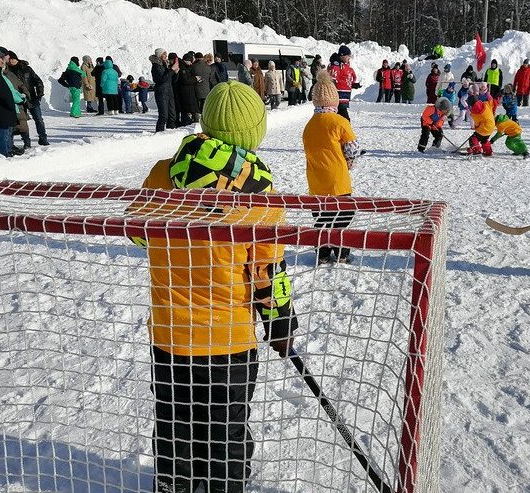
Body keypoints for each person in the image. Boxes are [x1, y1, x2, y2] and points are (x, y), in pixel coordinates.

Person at [129, 80, 298, 493]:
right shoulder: (259, 191)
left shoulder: (163, 172)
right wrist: (281, 323)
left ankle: (175, 484)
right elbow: (267, 271)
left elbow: (135, 232)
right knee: (225, 432)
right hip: (228, 342)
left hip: (171, 338)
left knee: (175, 426)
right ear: (253, 132)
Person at [302, 70, 361, 263]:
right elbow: (352, 147)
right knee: (343, 218)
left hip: (316, 183)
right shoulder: (339, 121)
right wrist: (349, 160)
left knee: (321, 220)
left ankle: (323, 254)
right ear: (334, 100)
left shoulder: (309, 125)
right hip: (338, 182)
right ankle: (342, 253)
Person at [6, 50, 48, 146]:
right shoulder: (8, 71)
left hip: (32, 98)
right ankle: (27, 142)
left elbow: (38, 81)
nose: (11, 61)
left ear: (16, 58)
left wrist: (40, 94)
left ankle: (43, 138)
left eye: (13, 59)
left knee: (39, 119)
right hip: (19, 100)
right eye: (10, 59)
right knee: (22, 122)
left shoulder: (27, 69)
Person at [3, 66, 31, 152]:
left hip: (18, 105)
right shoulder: (0, 76)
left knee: (23, 126)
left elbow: (21, 85)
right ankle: (10, 146)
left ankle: (27, 143)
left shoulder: (11, 74)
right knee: (10, 128)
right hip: (11, 104)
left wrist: (25, 94)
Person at [150, 48, 179, 131]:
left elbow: (172, 80)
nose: (166, 56)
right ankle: (159, 131)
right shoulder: (156, 66)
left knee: (172, 114)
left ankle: (171, 130)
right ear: (159, 55)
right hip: (161, 92)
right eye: (164, 54)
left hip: (169, 91)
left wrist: (175, 73)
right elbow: (161, 80)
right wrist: (171, 70)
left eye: (166, 54)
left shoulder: (165, 65)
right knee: (164, 115)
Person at [328, 45, 359, 121]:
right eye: (348, 56)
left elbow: (345, 80)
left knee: (341, 118)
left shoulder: (346, 66)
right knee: (345, 119)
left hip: (344, 96)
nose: (349, 58)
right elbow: (333, 79)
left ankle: (341, 131)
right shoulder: (337, 65)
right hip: (338, 97)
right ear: (342, 55)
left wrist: (352, 84)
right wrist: (332, 91)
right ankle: (345, 131)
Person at [466, 92, 495, 156]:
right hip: (491, 127)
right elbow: (491, 102)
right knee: (484, 139)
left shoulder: (474, 113)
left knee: (473, 139)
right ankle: (488, 151)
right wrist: (489, 95)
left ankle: (477, 150)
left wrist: (476, 128)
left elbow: (476, 123)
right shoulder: (486, 104)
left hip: (483, 129)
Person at [176, 53, 200, 124]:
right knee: (187, 112)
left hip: (189, 93)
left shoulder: (186, 67)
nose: (191, 63)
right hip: (186, 94)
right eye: (190, 61)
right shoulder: (183, 68)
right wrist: (195, 79)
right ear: (187, 60)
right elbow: (185, 80)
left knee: (189, 111)